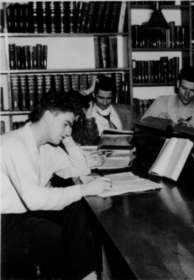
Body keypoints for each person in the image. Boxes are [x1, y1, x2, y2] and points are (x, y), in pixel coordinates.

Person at [0, 90, 111, 279]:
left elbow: (79, 168)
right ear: (49, 116)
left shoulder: (46, 146)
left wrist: (67, 139)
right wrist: (84, 188)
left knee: (74, 207)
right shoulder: (13, 144)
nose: (69, 130)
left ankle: (89, 276)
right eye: (66, 124)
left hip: (26, 214)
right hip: (5, 224)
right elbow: (33, 199)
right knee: (51, 235)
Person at [142, 66, 194, 131]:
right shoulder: (161, 102)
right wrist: (160, 122)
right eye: (184, 88)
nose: (187, 95)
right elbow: (141, 129)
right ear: (178, 84)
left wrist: (193, 131)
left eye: (192, 90)